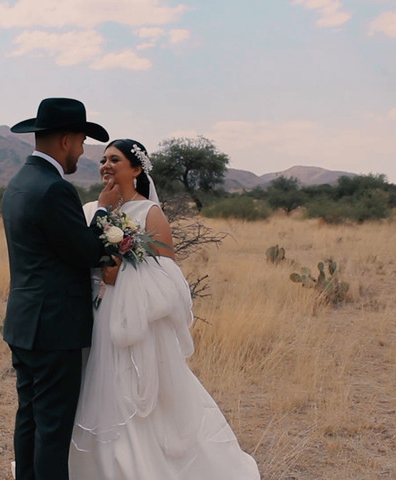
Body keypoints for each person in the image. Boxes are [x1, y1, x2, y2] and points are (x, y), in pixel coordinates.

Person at [69, 139, 261, 479]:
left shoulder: (148, 213)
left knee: (128, 390)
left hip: (132, 318)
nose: (106, 166)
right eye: (102, 160)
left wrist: (122, 270)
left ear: (137, 169)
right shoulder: (89, 209)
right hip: (93, 313)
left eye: (115, 159)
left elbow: (167, 275)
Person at [2, 98, 122, 480]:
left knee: (30, 421)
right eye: (83, 142)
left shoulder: (18, 183)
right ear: (67, 140)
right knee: (53, 431)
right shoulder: (55, 189)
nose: (84, 152)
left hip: (24, 323)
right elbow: (86, 252)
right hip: (54, 329)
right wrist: (102, 212)